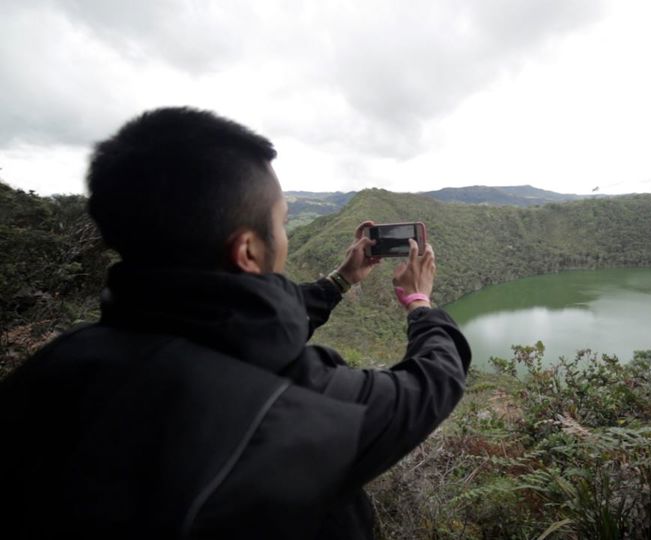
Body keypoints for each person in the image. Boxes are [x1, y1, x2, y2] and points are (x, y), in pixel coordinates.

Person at [0, 107, 471, 539]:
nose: (285, 236)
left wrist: (342, 280)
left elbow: (230, 324)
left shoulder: (56, 365)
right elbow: (432, 384)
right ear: (247, 250)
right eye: (282, 223)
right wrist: (418, 300)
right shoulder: (294, 409)